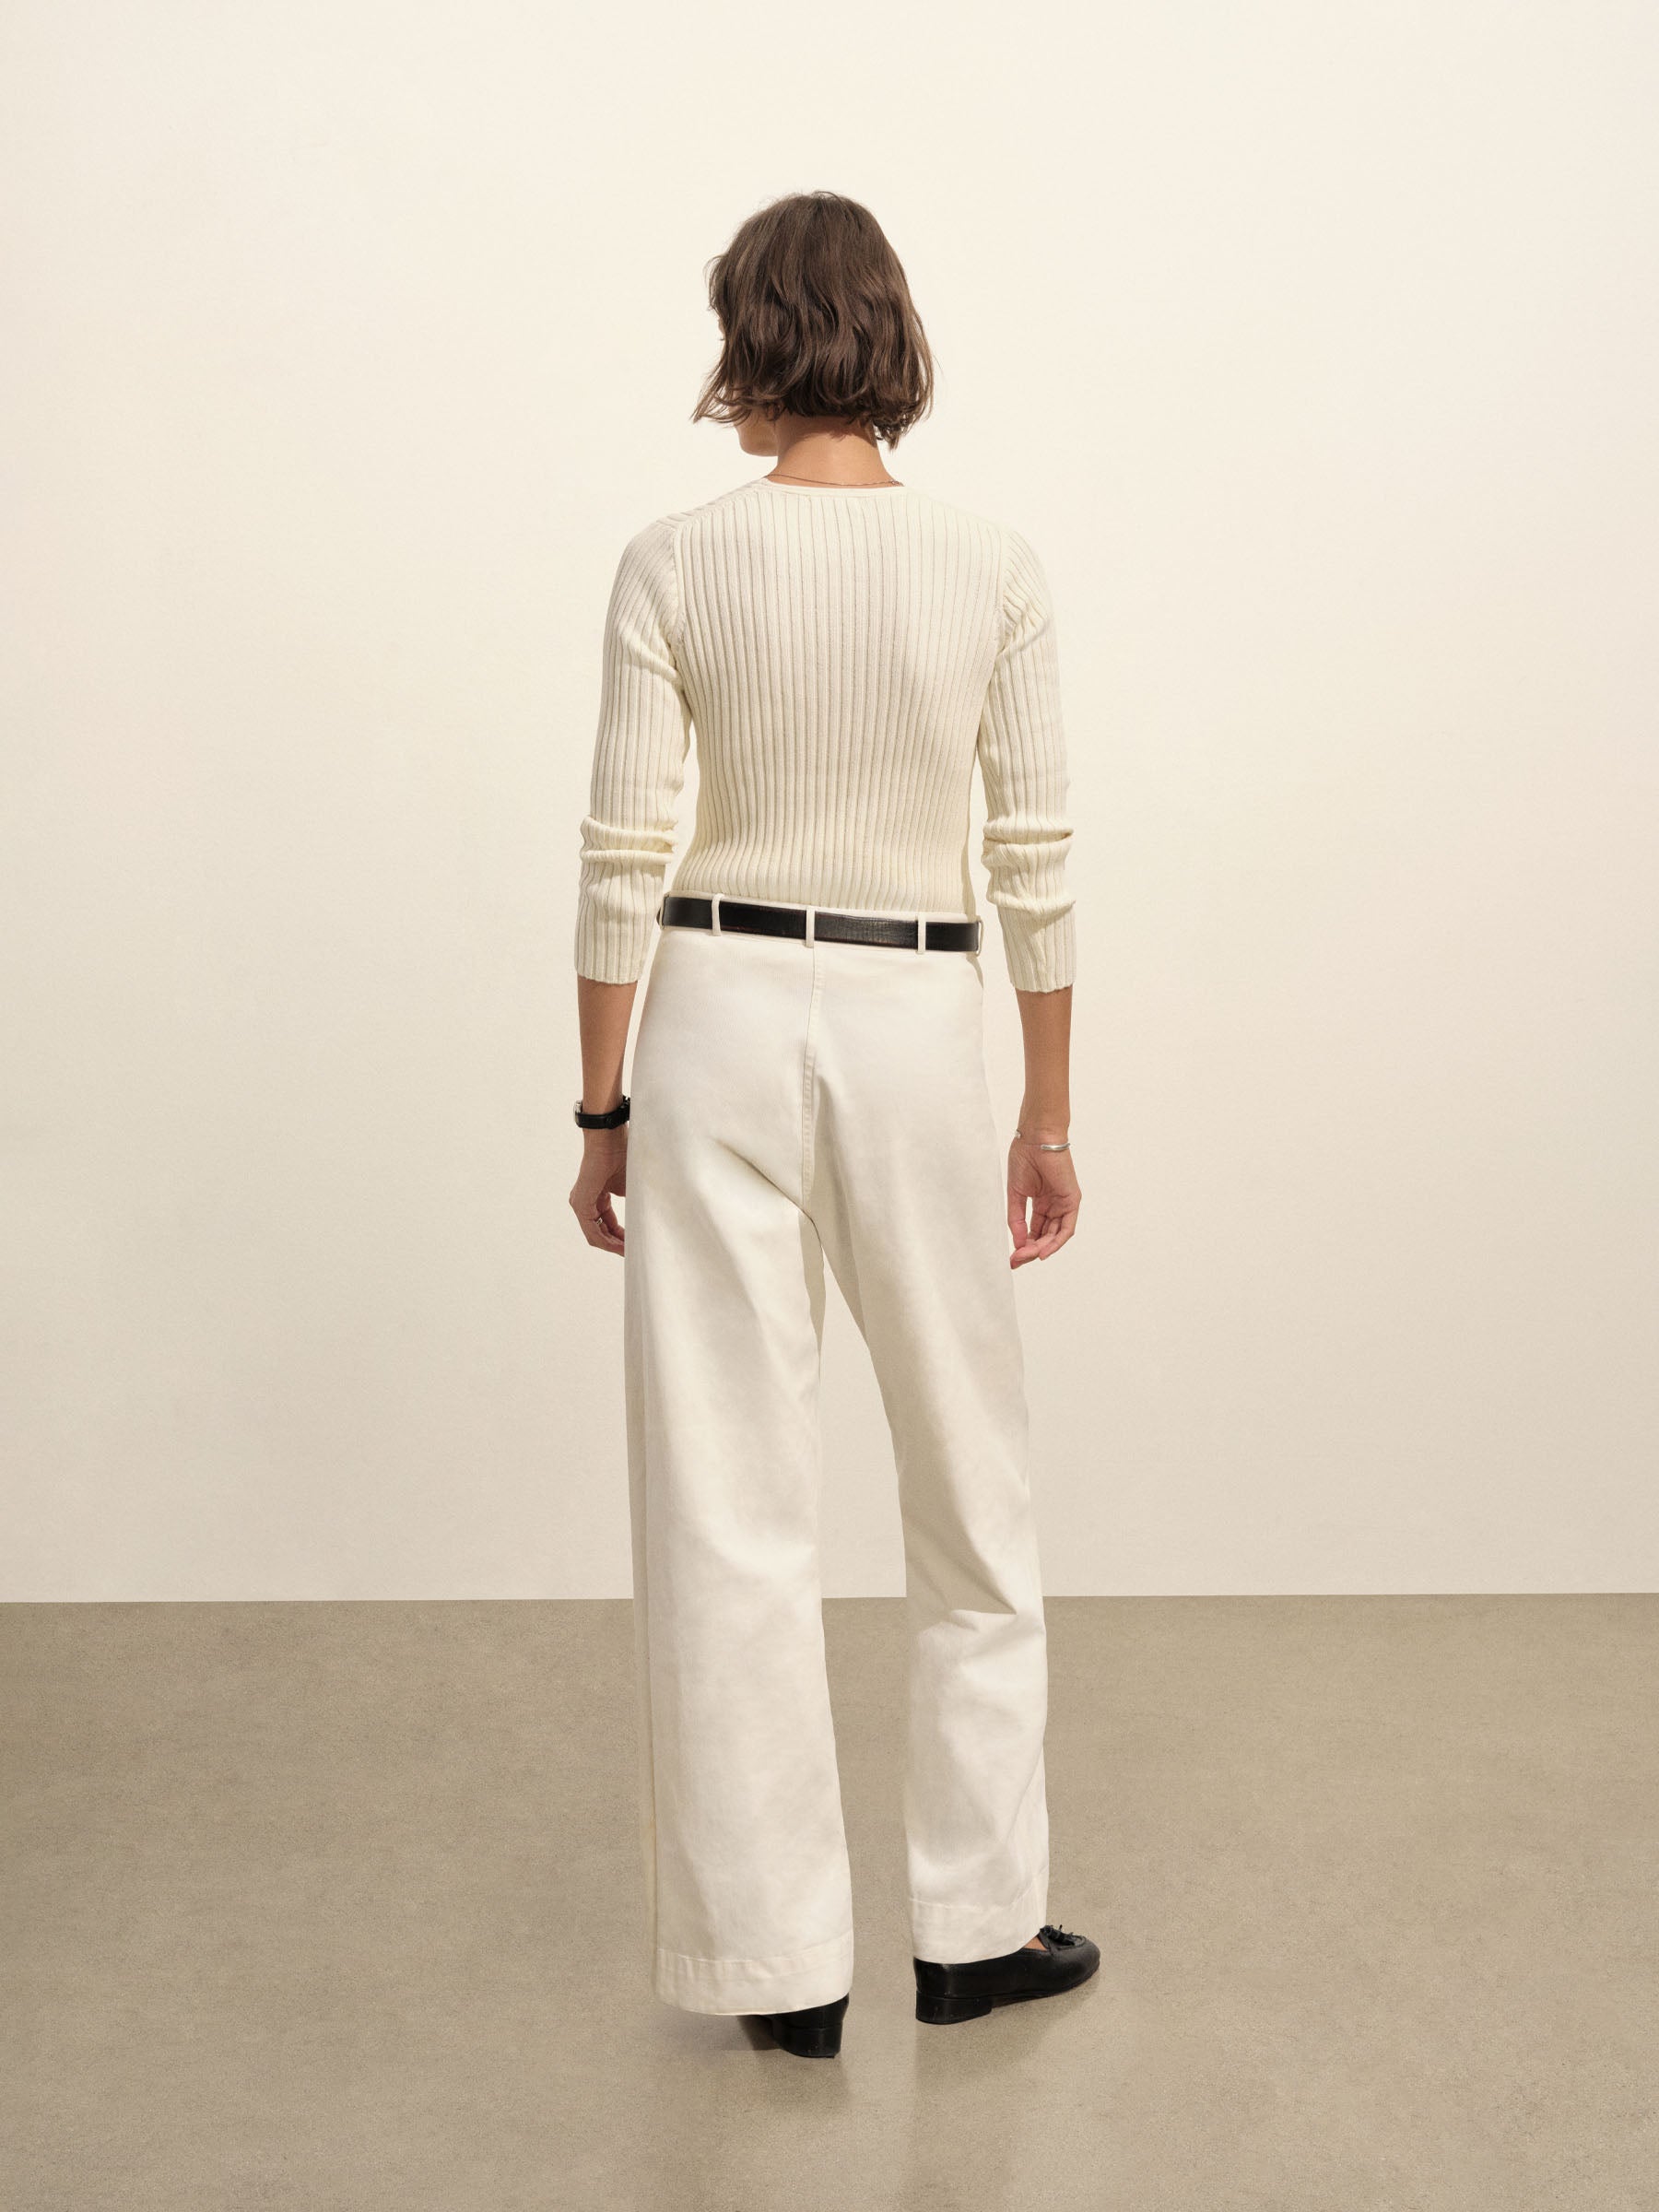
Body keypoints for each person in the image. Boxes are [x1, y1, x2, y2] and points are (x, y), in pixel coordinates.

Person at [569, 191, 1100, 2060]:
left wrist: (603, 1107)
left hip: (713, 1006)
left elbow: (621, 850)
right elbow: (1033, 858)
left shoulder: (673, 561)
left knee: (727, 1502)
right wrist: (1047, 1110)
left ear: (748, 339)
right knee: (973, 1487)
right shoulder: (992, 566)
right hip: (912, 1008)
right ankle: (974, 1927)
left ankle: (777, 1975)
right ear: (890, 338)